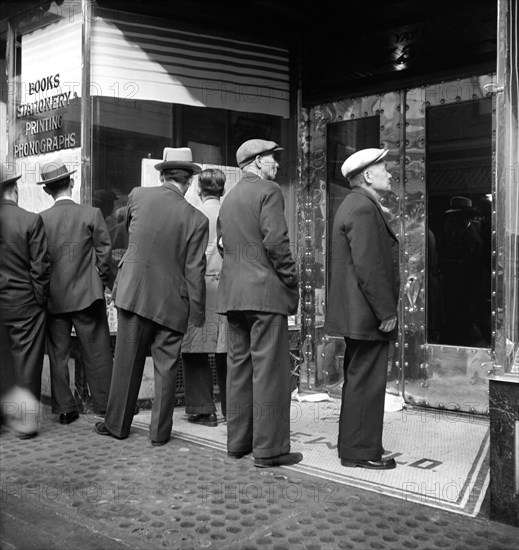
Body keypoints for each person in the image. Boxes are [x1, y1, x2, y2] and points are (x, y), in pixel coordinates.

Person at [95, 147, 209, 446]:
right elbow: (195, 271)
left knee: (126, 363)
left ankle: (117, 425)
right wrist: (197, 313)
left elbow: (133, 234)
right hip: (172, 304)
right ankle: (160, 433)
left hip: (134, 294)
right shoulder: (197, 219)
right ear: (190, 182)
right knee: (167, 369)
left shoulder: (137, 196)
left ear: (162, 175)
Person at [217, 139, 302, 468]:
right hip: (265, 295)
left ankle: (238, 443)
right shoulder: (268, 191)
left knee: (238, 370)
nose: (275, 165)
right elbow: (276, 241)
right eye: (271, 159)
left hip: (234, 296)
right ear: (255, 162)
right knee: (270, 372)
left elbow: (223, 244)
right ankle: (270, 450)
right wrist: (289, 277)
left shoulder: (229, 198)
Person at [326, 148, 400, 470]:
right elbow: (369, 266)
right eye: (384, 168)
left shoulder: (354, 204)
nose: (389, 173)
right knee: (366, 383)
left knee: (359, 380)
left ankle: (357, 446)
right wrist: (386, 311)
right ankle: (360, 451)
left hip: (358, 311)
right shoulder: (364, 207)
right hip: (367, 312)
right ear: (368, 175)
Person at [37, 158, 113, 424]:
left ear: (47, 191)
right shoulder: (91, 214)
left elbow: (39, 262)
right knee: (98, 351)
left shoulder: (41, 220)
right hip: (87, 296)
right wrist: (100, 282)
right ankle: (106, 406)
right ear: (71, 182)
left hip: (54, 299)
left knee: (58, 354)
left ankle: (65, 409)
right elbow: (105, 254)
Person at [0, 163, 50, 439]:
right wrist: (40, 301)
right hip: (25, 305)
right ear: (15, 189)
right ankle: (25, 423)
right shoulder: (31, 220)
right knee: (27, 363)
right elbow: (40, 268)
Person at [182, 168, 228, 426]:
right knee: (228, 349)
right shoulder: (229, 212)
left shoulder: (193, 215)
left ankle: (203, 409)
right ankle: (232, 410)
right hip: (226, 289)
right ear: (222, 190)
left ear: (199, 189)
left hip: (199, 288)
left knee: (195, 348)